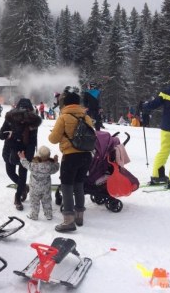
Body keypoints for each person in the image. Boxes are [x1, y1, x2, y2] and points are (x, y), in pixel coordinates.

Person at [48, 88, 93, 232]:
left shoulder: (63, 117)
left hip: (70, 156)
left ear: (66, 104)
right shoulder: (86, 117)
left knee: (67, 187)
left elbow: (53, 139)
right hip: (86, 156)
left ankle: (68, 221)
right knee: (79, 185)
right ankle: (79, 217)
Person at [0, 98, 41, 211]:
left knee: (22, 175)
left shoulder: (33, 121)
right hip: (10, 149)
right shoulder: (10, 118)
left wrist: (28, 156)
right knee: (10, 172)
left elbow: (33, 140)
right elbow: (0, 134)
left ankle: (18, 197)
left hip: (24, 151)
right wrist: (8, 135)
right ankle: (23, 187)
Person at [18, 146, 59, 220]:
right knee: (47, 201)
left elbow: (25, 164)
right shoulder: (50, 166)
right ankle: (48, 215)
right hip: (46, 188)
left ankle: (34, 215)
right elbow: (56, 168)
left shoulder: (34, 165)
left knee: (34, 202)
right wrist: (56, 161)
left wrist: (22, 157)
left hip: (34, 188)